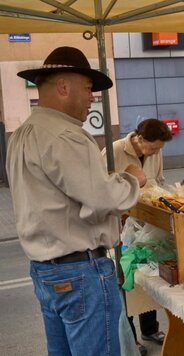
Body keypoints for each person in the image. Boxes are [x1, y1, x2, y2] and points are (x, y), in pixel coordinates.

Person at [6, 46, 146, 355]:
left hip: (46, 270)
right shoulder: (65, 135)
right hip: (80, 271)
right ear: (63, 87)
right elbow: (102, 197)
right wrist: (132, 179)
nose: (92, 98)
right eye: (88, 89)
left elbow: (62, 193)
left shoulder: (22, 134)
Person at [102, 118, 172, 355]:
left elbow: (159, 182)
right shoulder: (113, 151)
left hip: (147, 224)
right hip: (122, 227)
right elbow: (103, 189)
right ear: (139, 138)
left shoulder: (156, 152)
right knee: (127, 280)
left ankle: (150, 328)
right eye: (152, 148)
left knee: (148, 275)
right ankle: (132, 338)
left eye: (159, 149)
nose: (155, 153)